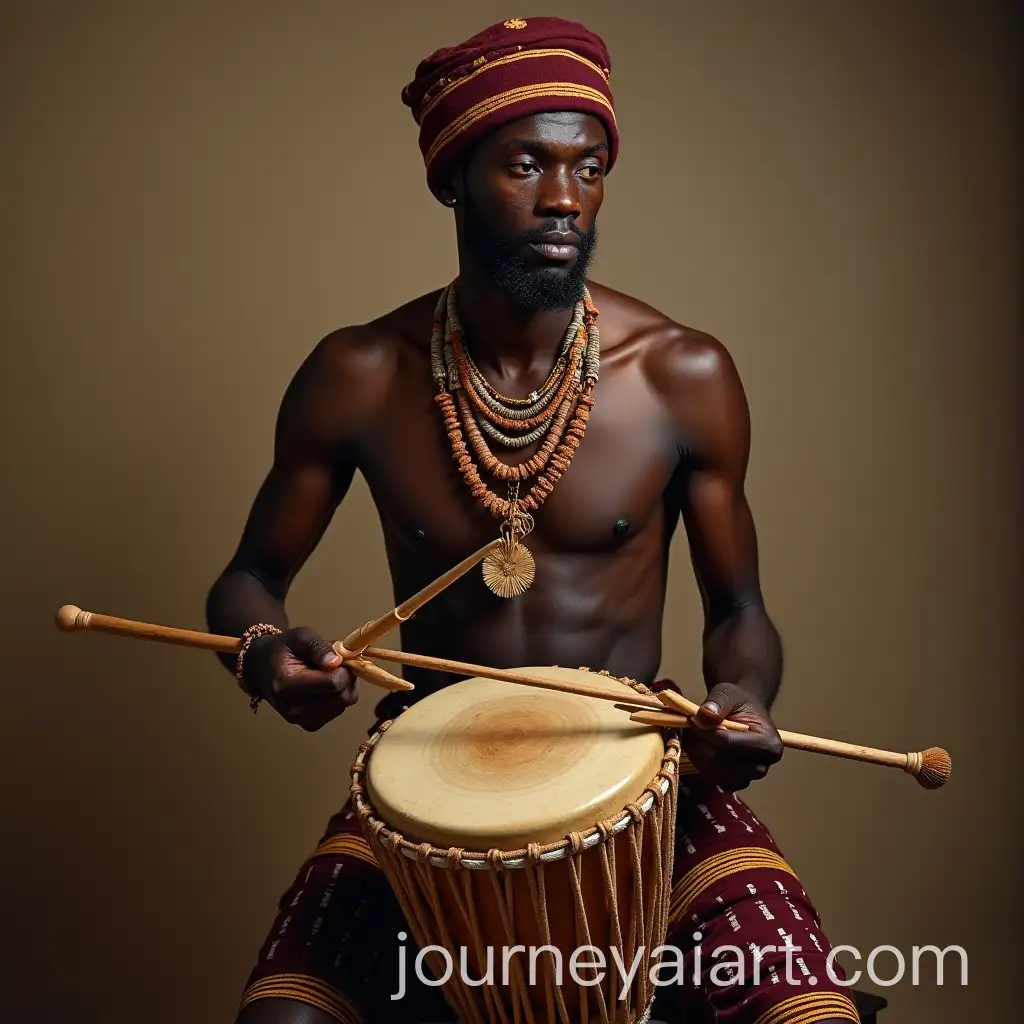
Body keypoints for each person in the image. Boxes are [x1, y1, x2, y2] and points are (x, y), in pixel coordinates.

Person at [206, 16, 858, 1024]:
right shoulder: (358, 375)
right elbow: (248, 580)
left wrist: (743, 695)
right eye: (526, 165)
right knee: (282, 1019)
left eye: (588, 168)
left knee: (806, 1016)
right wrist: (264, 654)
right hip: (426, 788)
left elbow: (741, 611)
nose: (565, 198)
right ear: (452, 181)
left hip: (646, 782)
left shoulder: (681, 374)